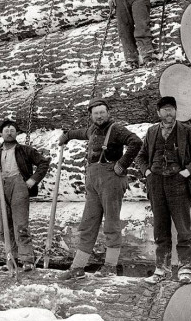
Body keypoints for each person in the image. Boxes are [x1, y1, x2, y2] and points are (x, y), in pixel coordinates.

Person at [59, 98, 142, 279]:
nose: (99, 116)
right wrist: (67, 135)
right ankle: (78, 267)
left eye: (102, 112)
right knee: (88, 223)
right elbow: (80, 132)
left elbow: (136, 142)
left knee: (111, 223)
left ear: (108, 113)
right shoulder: (92, 130)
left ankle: (110, 266)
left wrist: (122, 163)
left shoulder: (117, 129)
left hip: (111, 179)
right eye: (96, 113)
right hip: (93, 181)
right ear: (91, 116)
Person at [135, 96, 191, 284]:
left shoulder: (186, 131)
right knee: (161, 229)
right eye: (165, 110)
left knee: (183, 228)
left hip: (178, 184)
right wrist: (147, 172)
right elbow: (140, 157)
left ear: (176, 111)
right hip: (157, 184)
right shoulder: (151, 132)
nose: (169, 113)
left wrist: (186, 172)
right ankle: (162, 269)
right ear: (158, 113)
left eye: (171, 109)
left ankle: (185, 267)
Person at [0, 118, 50, 272]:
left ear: (16, 133)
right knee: (4, 227)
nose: (9, 132)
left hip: (19, 186)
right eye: (6, 130)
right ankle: (11, 259)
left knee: (20, 225)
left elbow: (43, 163)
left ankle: (27, 260)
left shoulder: (24, 150)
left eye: (12, 130)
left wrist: (32, 180)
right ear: (1, 134)